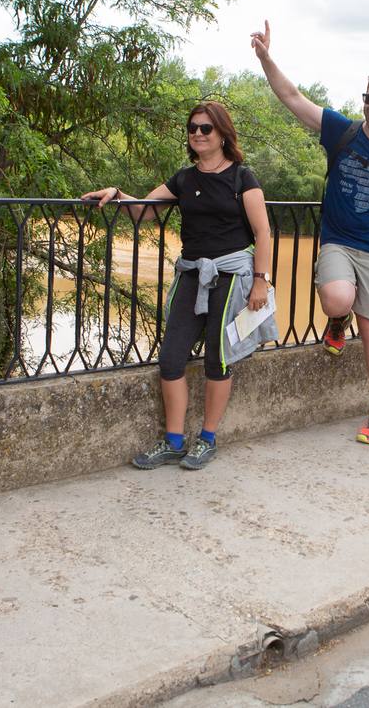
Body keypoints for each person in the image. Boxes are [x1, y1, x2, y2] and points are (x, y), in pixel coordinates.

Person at [250, 21, 369, 445]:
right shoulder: (342, 131)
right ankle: (337, 320)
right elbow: (293, 97)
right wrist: (265, 59)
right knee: (336, 297)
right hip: (338, 241)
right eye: (367, 97)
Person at [82, 101, 275, 470]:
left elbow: (263, 231)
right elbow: (144, 210)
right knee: (171, 357)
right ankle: (173, 441)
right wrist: (116, 195)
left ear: (222, 134)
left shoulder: (242, 177)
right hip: (192, 273)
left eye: (206, 128)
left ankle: (207, 438)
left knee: (218, 360)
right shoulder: (185, 178)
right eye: (193, 128)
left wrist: (261, 281)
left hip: (233, 276)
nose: (198, 134)